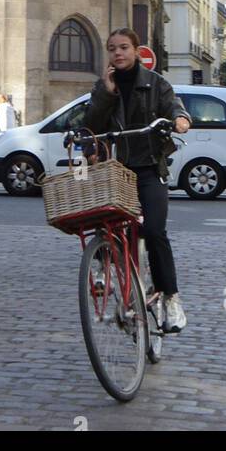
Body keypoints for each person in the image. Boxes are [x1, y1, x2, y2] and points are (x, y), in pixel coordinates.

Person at [82, 28, 191, 333]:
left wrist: (181, 120)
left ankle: (171, 298)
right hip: (117, 169)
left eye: (124, 48)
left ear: (136, 50)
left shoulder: (156, 84)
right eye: (113, 48)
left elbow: (174, 106)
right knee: (105, 220)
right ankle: (104, 265)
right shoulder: (104, 86)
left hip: (148, 168)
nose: (118, 53)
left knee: (155, 231)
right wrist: (106, 92)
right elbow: (91, 125)